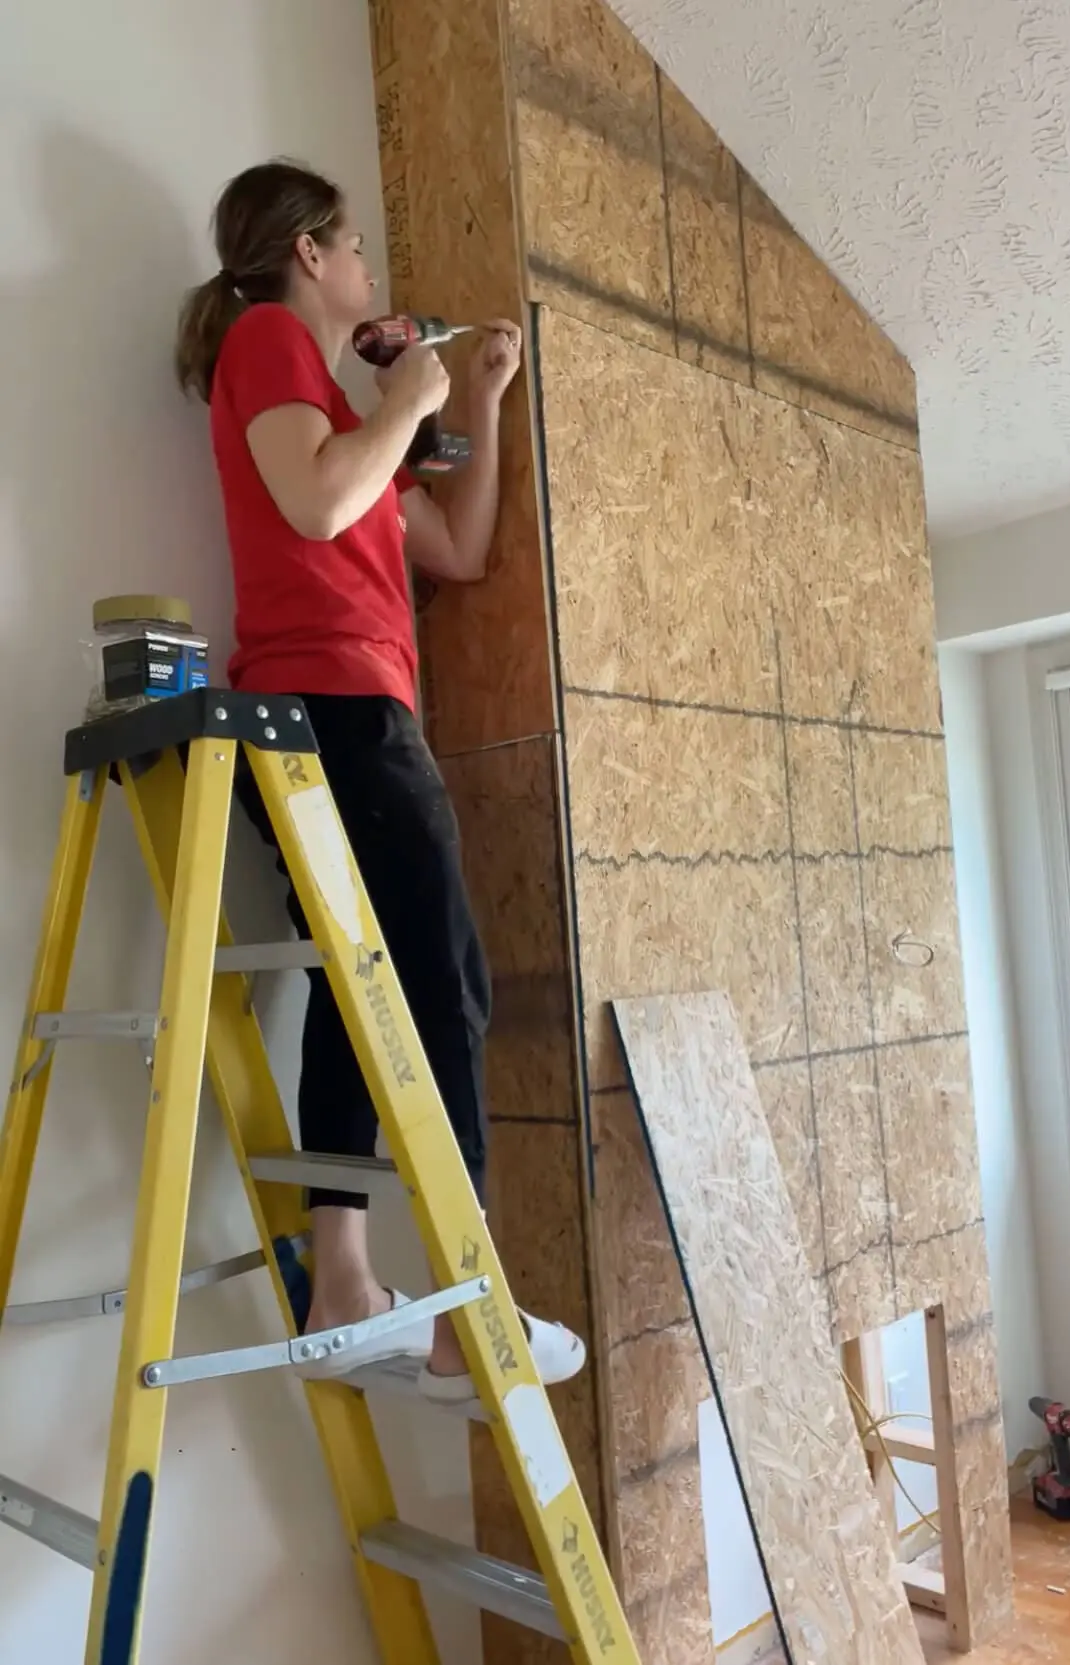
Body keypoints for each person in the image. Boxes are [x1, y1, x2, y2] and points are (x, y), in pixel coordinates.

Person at [174, 158, 584, 1404]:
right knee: (443, 983)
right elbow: (313, 504)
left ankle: (347, 1280)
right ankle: (469, 1304)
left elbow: (455, 548)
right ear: (307, 255)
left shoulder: (346, 415)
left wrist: (484, 399)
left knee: (369, 988)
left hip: (346, 718)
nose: (368, 274)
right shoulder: (264, 342)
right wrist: (402, 396)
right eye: (354, 250)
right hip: (331, 714)